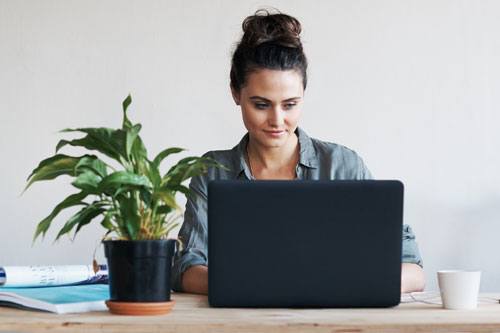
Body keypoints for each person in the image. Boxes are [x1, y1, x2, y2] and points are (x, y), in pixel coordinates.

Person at [171, 9, 425, 295]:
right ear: (235, 93)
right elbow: (186, 269)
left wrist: (344, 283)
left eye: (290, 104)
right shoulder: (213, 171)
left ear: (304, 94)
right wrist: (257, 285)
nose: (278, 120)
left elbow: (413, 270)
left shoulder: (343, 166)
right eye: (261, 104)